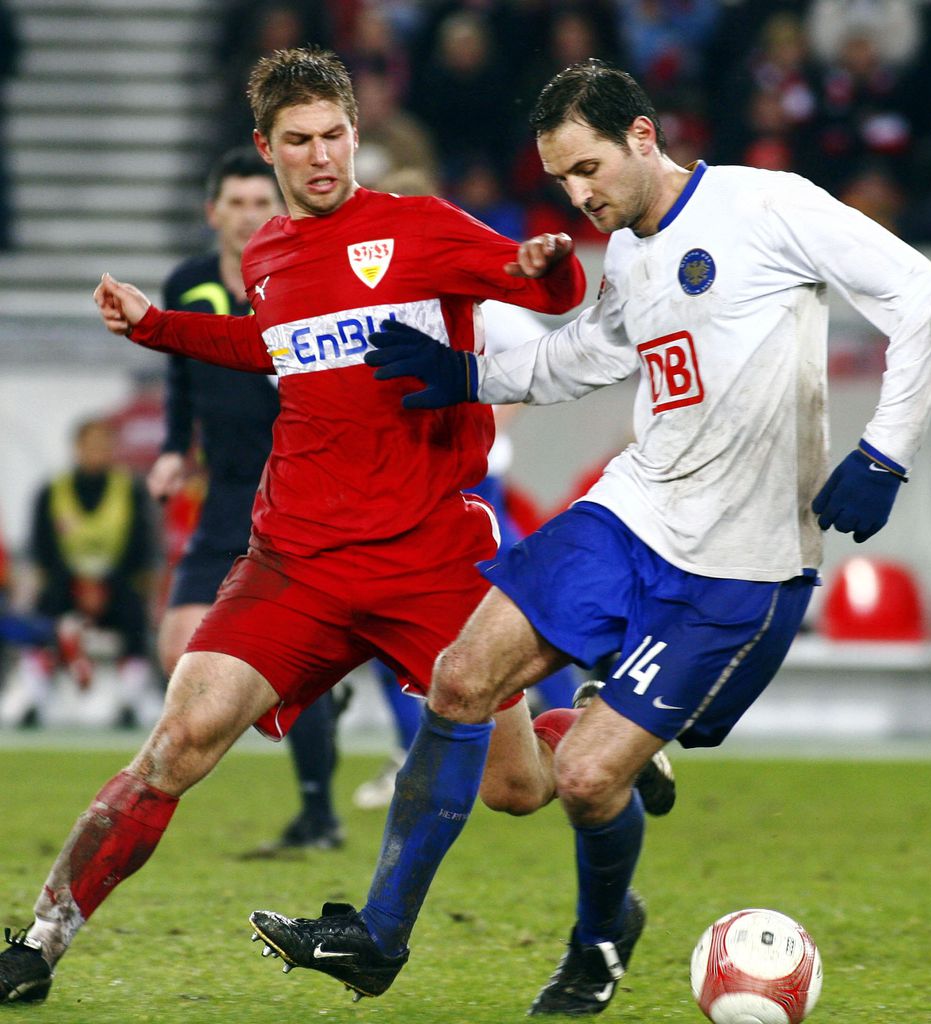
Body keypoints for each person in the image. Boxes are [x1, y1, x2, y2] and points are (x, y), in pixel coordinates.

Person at [247, 59, 931, 1014]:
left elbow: (925, 297)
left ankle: (602, 935)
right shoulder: (627, 253)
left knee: (582, 780)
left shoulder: (768, 206)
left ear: (644, 137)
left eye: (587, 170)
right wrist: (467, 375)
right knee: (459, 678)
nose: (578, 197)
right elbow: (588, 353)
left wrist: (886, 451)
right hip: (633, 512)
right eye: (561, 182)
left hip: (739, 567)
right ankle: (377, 937)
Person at [0, 45, 588, 1005]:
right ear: (267, 150)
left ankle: (589, 742)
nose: (321, 157)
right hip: (298, 562)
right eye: (298, 142)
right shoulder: (270, 253)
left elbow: (548, 295)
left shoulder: (421, 229)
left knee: (517, 792)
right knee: (180, 739)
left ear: (357, 134)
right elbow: (265, 341)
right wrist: (156, 326)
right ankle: (37, 942)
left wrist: (542, 266)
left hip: (428, 552)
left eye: (335, 137)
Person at [148, 145, 346, 850]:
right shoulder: (189, 282)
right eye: (235, 203)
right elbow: (179, 379)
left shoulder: (303, 276)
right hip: (227, 490)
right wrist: (175, 448)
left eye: (261, 202)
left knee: (286, 656)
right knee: (179, 645)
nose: (248, 215)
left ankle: (319, 812)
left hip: (295, 492)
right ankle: (317, 698)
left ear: (278, 208)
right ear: (213, 213)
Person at [1, 418, 159, 730]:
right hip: (65, 587)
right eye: (90, 446)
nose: (96, 453)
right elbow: (43, 549)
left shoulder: (130, 490)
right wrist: (78, 585)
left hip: (116, 588)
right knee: (43, 617)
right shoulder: (52, 491)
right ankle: (31, 697)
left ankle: (133, 699)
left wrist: (105, 585)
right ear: (77, 448)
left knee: (134, 617)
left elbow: (140, 546)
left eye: (103, 446)